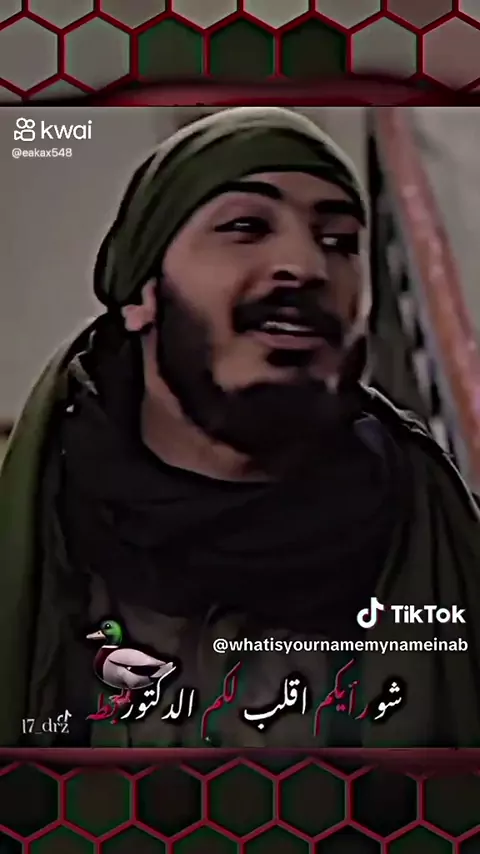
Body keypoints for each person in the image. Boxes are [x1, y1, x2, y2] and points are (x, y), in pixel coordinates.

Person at [1, 107, 479, 749]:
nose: (306, 266)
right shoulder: (44, 527)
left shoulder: (433, 528)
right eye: (246, 226)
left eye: (339, 240)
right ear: (142, 293)